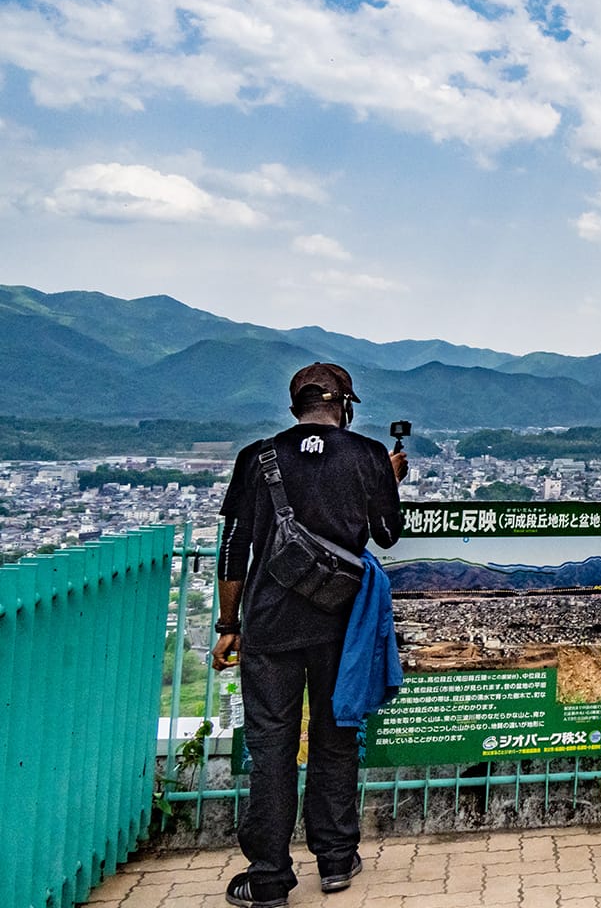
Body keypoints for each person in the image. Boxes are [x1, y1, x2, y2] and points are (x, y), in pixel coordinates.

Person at [211, 363, 406, 907]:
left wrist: (230, 626)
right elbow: (388, 536)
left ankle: (269, 877)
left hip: (270, 627)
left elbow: (234, 548)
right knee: (334, 735)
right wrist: (387, 478)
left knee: (271, 746)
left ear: (295, 405)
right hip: (342, 626)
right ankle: (337, 858)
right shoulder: (367, 455)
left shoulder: (258, 457)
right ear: (345, 405)